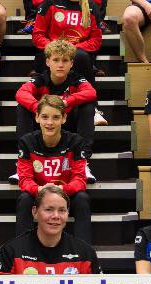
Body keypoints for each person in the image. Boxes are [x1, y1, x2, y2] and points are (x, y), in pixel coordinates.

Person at [15, 96, 93, 244]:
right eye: (45, 117)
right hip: (39, 193)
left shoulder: (76, 141)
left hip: (65, 193)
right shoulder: (27, 141)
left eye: (56, 117)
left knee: (82, 198)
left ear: (64, 118)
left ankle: (84, 251)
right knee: (24, 199)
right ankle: (23, 250)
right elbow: (24, 179)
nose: (49, 123)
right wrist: (40, 190)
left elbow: (80, 180)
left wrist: (61, 189)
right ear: (37, 117)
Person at [0, 185, 102, 274]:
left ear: (68, 213)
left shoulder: (86, 253)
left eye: (62, 210)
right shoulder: (11, 251)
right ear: (35, 212)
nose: (56, 216)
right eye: (49, 209)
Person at [17, 38, 97, 142]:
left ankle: (83, 150)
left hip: (67, 122)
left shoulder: (76, 80)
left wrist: (66, 102)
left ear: (71, 63)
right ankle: (25, 149)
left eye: (65, 60)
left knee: (88, 106)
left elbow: (91, 92)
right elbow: (21, 93)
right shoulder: (40, 79)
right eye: (55, 60)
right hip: (44, 123)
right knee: (22, 107)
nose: (60, 65)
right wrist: (39, 108)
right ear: (48, 62)